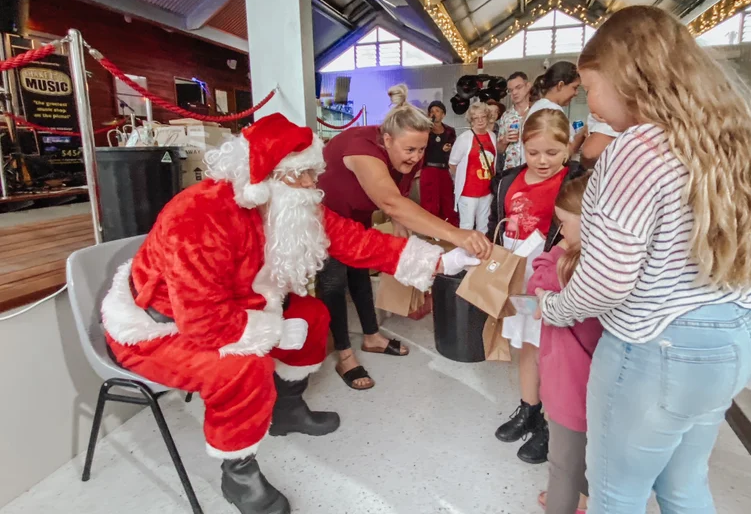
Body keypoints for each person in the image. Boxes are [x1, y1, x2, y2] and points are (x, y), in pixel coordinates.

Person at [101, 113, 479, 514]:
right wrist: (276, 333)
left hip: (242, 308)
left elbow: (356, 241)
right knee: (242, 368)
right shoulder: (197, 215)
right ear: (265, 177)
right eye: (301, 176)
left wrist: (441, 261)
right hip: (160, 330)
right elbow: (203, 320)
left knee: (314, 315)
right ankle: (239, 472)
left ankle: (287, 409)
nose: (313, 187)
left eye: (313, 173)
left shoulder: (292, 204)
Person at [535, 5, 751, 513]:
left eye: (592, 86)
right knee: (684, 486)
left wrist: (554, 306)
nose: (592, 103)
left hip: (662, 347)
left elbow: (609, 279)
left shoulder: (637, 148)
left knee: (615, 496)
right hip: (739, 332)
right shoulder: (720, 135)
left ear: (630, 78)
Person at [317, 104, 492, 391]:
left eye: (421, 150)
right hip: (324, 218)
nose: (417, 156)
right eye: (410, 149)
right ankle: (345, 355)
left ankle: (371, 336)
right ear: (387, 140)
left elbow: (399, 197)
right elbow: (389, 201)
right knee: (334, 283)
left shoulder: (408, 155)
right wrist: (456, 234)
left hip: (357, 219)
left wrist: (401, 230)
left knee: (360, 273)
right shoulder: (361, 148)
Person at [488, 109, 583, 465]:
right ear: (523, 147)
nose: (543, 161)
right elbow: (494, 224)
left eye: (553, 152)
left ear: (567, 149)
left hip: (553, 279)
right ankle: (529, 407)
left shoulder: (576, 183)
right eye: (534, 152)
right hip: (518, 276)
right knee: (528, 345)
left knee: (553, 352)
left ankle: (551, 424)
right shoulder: (507, 180)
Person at [530, 173, 601, 514]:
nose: (559, 231)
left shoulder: (564, 267)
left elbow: (535, 281)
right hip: (600, 385)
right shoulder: (610, 270)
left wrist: (558, 248)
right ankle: (584, 500)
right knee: (590, 452)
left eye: (563, 223)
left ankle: (565, 504)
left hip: (567, 386)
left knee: (562, 465)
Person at [449, 101, 496, 233]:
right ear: (471, 120)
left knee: (484, 226)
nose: (480, 121)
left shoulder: (492, 136)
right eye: (476, 118)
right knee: (467, 226)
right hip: (468, 192)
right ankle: (464, 254)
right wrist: (459, 180)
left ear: (487, 117)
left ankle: (480, 253)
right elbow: (452, 163)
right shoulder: (464, 138)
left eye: (483, 117)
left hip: (487, 191)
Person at [419, 100, 458, 224]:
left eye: (437, 111)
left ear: (443, 114)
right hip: (429, 169)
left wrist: (449, 148)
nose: (434, 113)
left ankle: (449, 227)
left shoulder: (450, 131)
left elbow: (454, 146)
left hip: (443, 169)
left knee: (447, 199)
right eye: (431, 111)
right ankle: (430, 229)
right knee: (430, 200)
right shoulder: (425, 130)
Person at [496, 72, 531, 172]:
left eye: (518, 87)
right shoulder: (506, 116)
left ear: (528, 86)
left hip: (533, 169)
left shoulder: (537, 111)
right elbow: (500, 149)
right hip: (511, 170)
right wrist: (504, 141)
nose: (514, 92)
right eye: (510, 90)